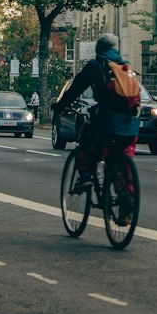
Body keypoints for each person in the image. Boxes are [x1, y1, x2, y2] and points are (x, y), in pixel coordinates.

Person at [52, 33, 140, 209]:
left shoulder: (96, 65)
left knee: (86, 141)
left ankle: (85, 176)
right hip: (130, 124)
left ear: (98, 49)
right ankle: (126, 202)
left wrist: (60, 106)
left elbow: (76, 88)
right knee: (121, 158)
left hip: (106, 120)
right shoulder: (126, 68)